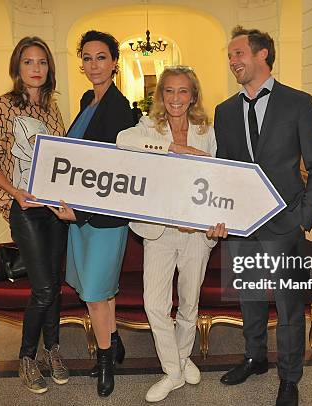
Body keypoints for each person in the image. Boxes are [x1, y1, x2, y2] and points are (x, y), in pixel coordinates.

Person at [208, 26, 312, 406]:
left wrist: (304, 218)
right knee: (248, 298)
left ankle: (289, 377)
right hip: (242, 225)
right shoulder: (224, 111)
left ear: (262, 55)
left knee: (289, 304)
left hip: (285, 222)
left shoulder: (298, 103)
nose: (233, 61)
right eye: (230, 56)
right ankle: (254, 357)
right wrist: (221, 212)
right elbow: (225, 170)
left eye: (239, 53)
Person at [116, 66, 220, 402]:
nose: (176, 98)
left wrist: (208, 222)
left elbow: (215, 178)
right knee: (155, 304)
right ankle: (173, 370)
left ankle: (182, 357)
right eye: (170, 91)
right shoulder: (148, 127)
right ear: (161, 95)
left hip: (194, 233)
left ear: (193, 96)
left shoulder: (206, 130)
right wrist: (177, 149)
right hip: (158, 231)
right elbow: (122, 142)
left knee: (190, 302)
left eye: (183, 91)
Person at [0, 36, 70, 394]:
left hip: (54, 208)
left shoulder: (51, 110)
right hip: (25, 208)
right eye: (29, 62)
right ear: (17, 67)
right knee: (44, 286)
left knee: (54, 285)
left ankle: (53, 351)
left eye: (42, 62)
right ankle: (27, 358)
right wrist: (16, 192)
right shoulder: (0, 108)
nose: (36, 69)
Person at [52, 30, 134, 398]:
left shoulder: (120, 109)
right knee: (97, 290)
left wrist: (80, 213)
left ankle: (104, 364)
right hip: (78, 215)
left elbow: (117, 176)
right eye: (86, 58)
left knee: (97, 294)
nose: (93, 64)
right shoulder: (88, 100)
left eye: (101, 57)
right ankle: (113, 344)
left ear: (115, 62)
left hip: (102, 218)